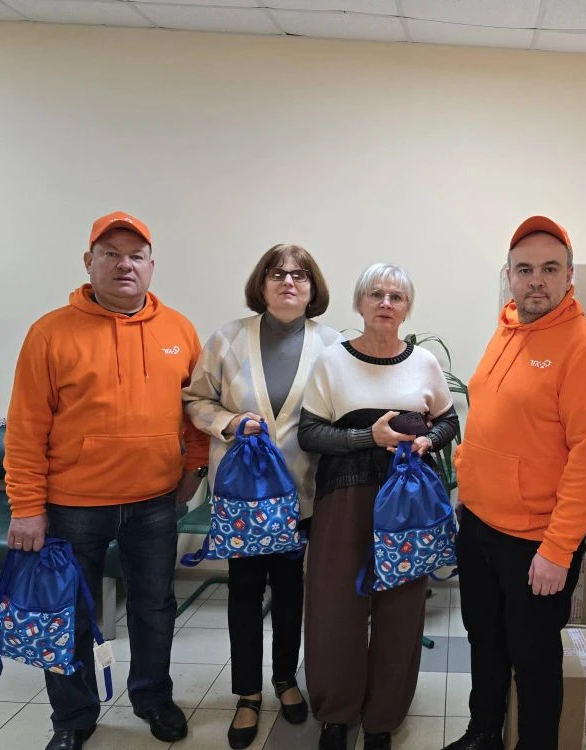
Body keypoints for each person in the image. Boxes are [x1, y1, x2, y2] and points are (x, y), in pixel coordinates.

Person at [4, 211, 208, 750]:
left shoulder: (179, 330)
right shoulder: (50, 332)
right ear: (88, 262)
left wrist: (193, 468)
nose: (124, 265)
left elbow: (195, 409)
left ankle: (153, 698)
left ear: (151, 266)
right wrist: (26, 507)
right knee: (71, 614)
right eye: (111, 254)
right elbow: (26, 428)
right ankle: (74, 717)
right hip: (72, 505)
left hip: (155, 502)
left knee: (154, 608)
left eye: (136, 256)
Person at [443, 216, 586, 750]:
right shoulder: (506, 329)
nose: (536, 280)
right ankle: (483, 733)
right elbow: (494, 420)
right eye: (524, 270)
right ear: (509, 276)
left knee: (535, 659)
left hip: (535, 541)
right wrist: (468, 494)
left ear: (570, 276)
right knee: (484, 640)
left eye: (549, 268)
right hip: (479, 525)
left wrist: (558, 549)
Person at [183, 244, 340, 749]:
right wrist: (230, 422)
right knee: (245, 594)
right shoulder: (227, 340)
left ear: (313, 288)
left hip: (303, 496)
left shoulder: (334, 345)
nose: (288, 282)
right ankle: (248, 694)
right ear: (262, 284)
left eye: (300, 275)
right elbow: (195, 399)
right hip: (246, 502)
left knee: (292, 592)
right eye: (277, 273)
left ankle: (285, 679)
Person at [297, 263, 459, 750]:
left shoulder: (424, 363)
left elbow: (449, 422)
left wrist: (429, 440)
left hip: (408, 506)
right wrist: (368, 436)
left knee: (401, 608)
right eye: (375, 294)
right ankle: (336, 713)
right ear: (359, 303)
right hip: (344, 502)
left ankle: (383, 718)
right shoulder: (332, 361)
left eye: (396, 296)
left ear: (407, 308)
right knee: (335, 607)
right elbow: (310, 433)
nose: (386, 303)